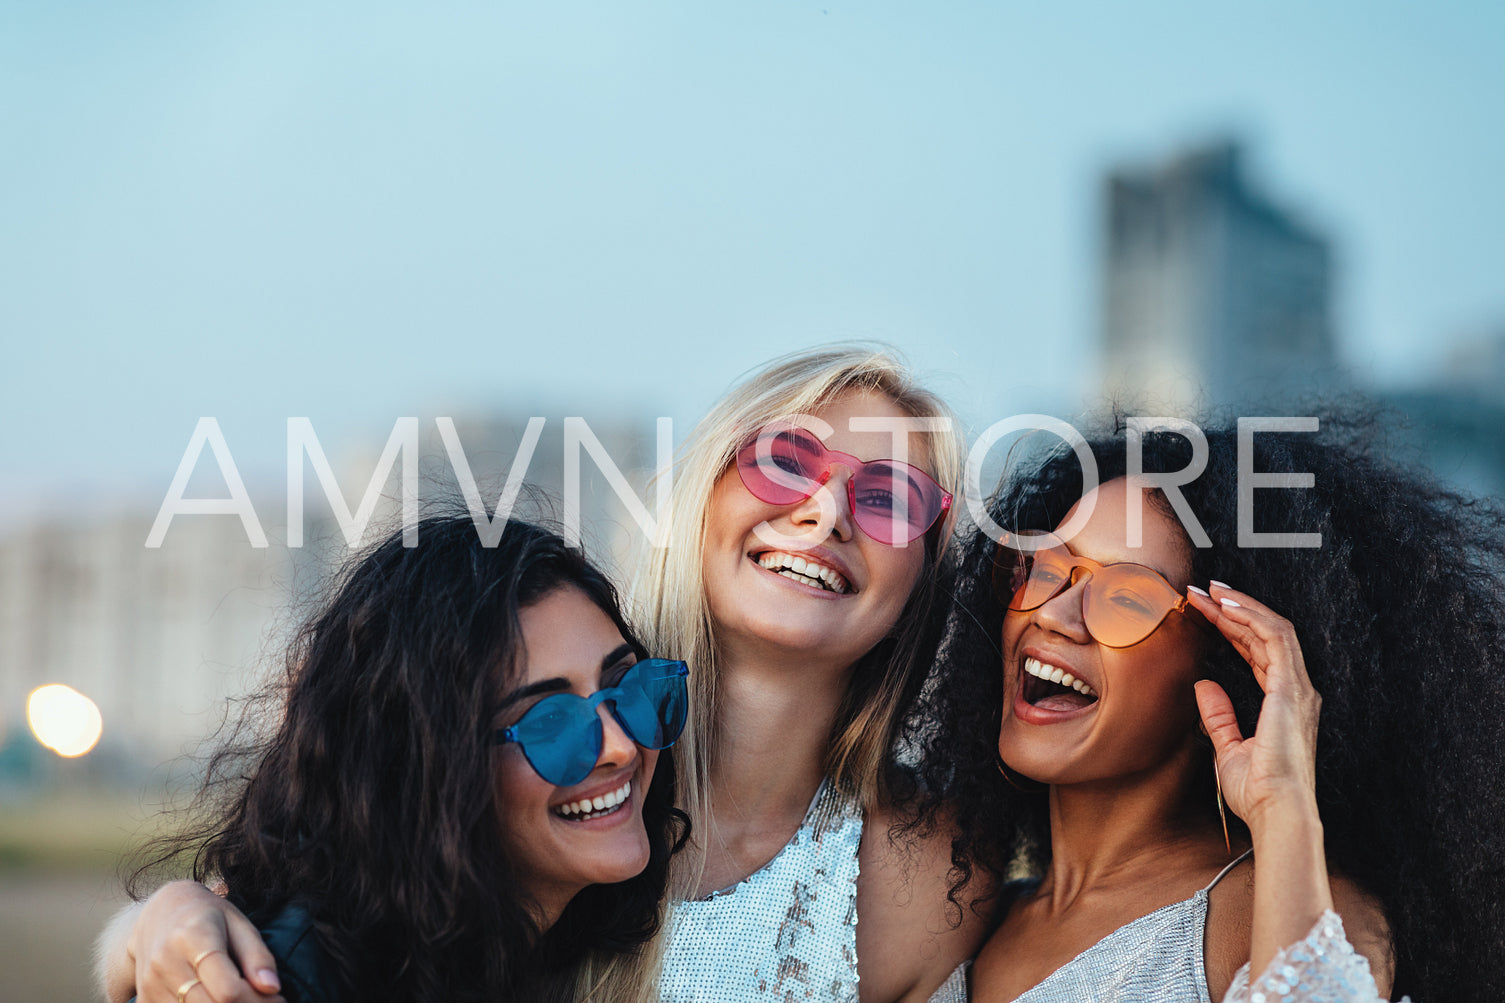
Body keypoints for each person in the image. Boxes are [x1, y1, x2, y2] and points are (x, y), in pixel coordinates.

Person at [106, 346, 988, 1003]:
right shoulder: (545, 729)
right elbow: (338, 890)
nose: (826, 508)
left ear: (926, 572)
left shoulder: (926, 870)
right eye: (786, 458)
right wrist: (149, 928)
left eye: (890, 497)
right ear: (702, 490)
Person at [912, 414, 1505, 1002]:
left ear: (1225, 666)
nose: (1051, 614)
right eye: (1045, 569)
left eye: (1124, 596)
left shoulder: (1289, 916)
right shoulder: (967, 912)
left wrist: (1282, 805)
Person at [100, 516, 689, 1003]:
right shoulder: (276, 981)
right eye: (550, 724)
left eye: (628, 688)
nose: (619, 746)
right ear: (425, 767)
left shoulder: (546, 957)